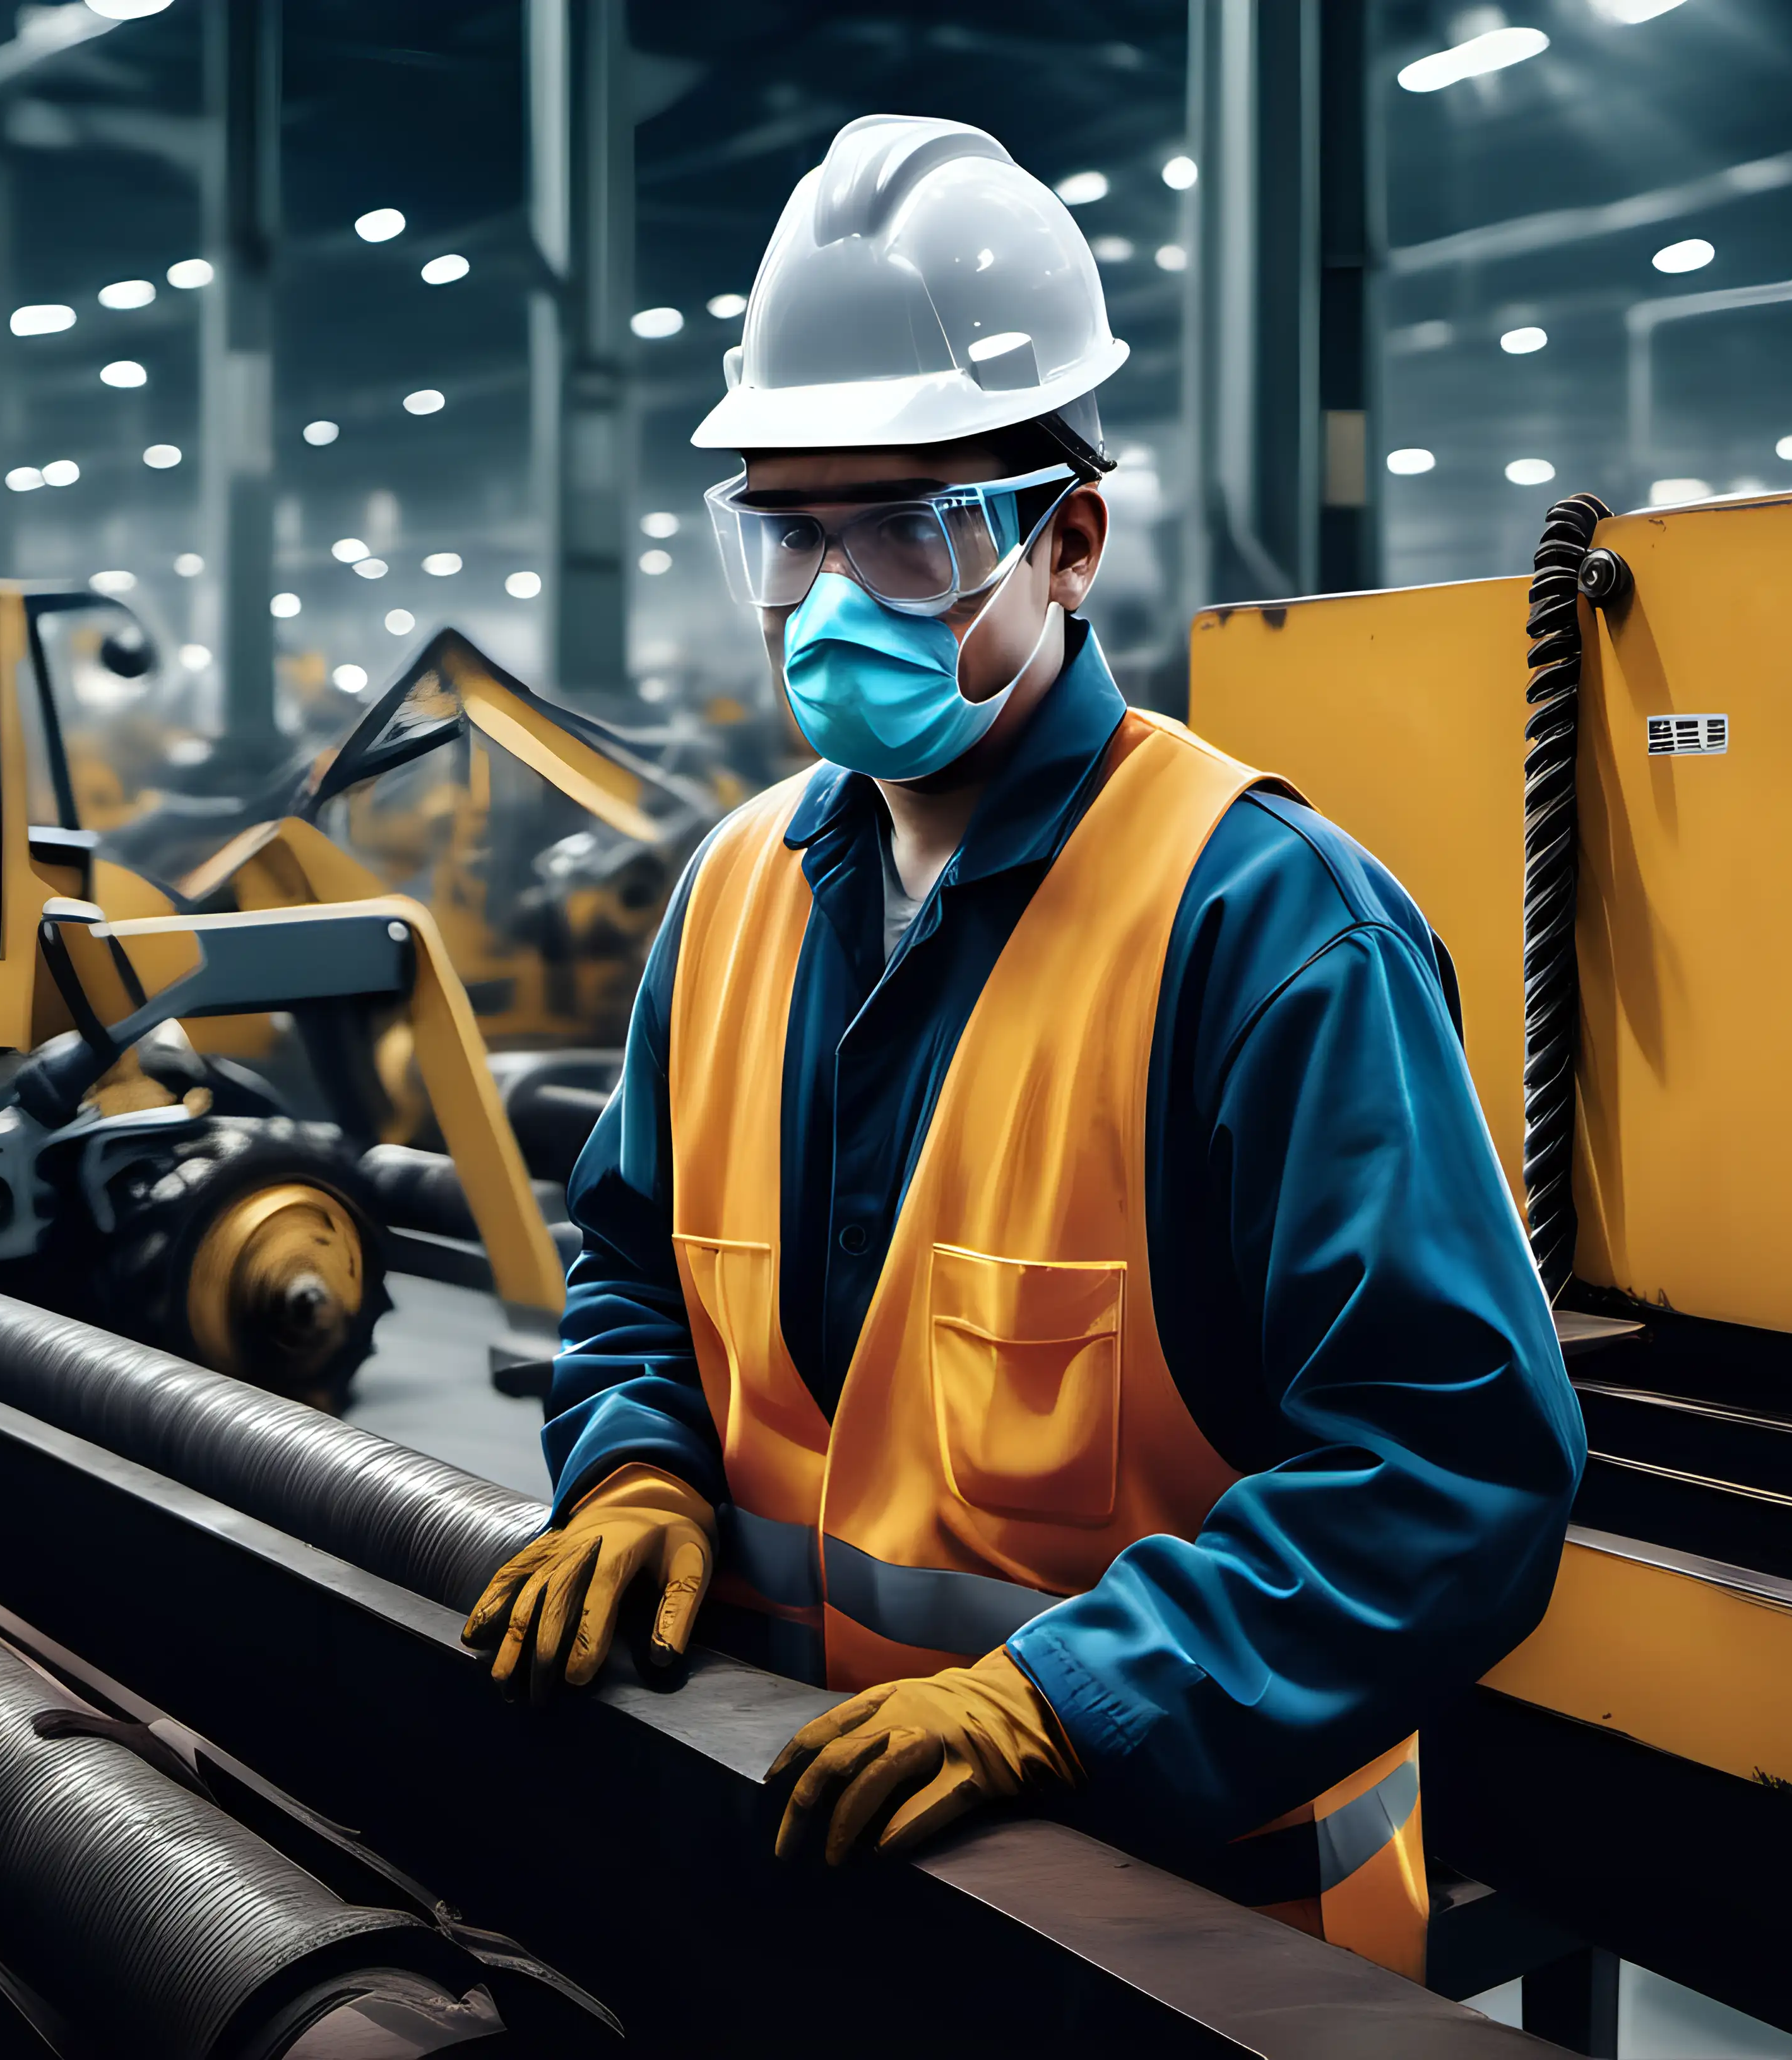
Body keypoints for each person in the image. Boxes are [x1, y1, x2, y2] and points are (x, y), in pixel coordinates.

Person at [460, 112, 1582, 1979]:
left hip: (1185, 1929)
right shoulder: (732, 891)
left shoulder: (1268, 925)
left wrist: (1061, 1701)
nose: (834, 600)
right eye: (791, 530)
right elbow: (636, 1270)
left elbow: (1449, 1461)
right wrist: (639, 1463)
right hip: (799, 1862)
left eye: (908, 527)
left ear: (1068, 543)